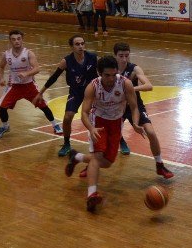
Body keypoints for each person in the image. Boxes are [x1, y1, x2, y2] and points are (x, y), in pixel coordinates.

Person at [64, 56, 143, 213]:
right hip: (98, 121)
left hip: (116, 122)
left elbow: (134, 107)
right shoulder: (93, 86)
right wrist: (91, 128)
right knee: (97, 157)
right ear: (99, 73)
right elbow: (84, 113)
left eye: (114, 75)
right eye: (107, 75)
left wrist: (135, 123)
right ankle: (92, 194)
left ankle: (77, 157)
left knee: (107, 163)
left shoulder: (125, 83)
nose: (111, 78)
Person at [110, 43, 174, 178]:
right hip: (117, 106)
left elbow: (148, 86)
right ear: (115, 55)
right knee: (108, 137)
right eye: (121, 56)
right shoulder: (110, 69)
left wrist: (130, 89)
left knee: (151, 132)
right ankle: (90, 163)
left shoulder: (134, 69)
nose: (124, 59)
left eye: (126, 55)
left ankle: (159, 165)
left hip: (135, 105)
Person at [33, 35, 98, 156]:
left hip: (92, 91)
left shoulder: (93, 58)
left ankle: (120, 140)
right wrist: (40, 93)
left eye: (82, 44)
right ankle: (67, 143)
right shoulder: (66, 61)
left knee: (105, 115)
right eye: (77, 44)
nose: (80, 46)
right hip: (76, 91)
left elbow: (103, 73)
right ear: (71, 47)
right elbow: (53, 77)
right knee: (67, 117)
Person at [0, 30, 62, 138]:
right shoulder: (7, 54)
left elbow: (37, 69)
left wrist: (27, 73)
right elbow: (0, 67)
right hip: (14, 86)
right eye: (14, 39)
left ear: (22, 39)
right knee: (1, 107)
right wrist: (1, 78)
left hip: (29, 85)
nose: (16, 41)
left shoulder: (28, 53)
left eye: (19, 39)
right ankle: (5, 126)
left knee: (43, 105)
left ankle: (55, 125)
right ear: (10, 41)